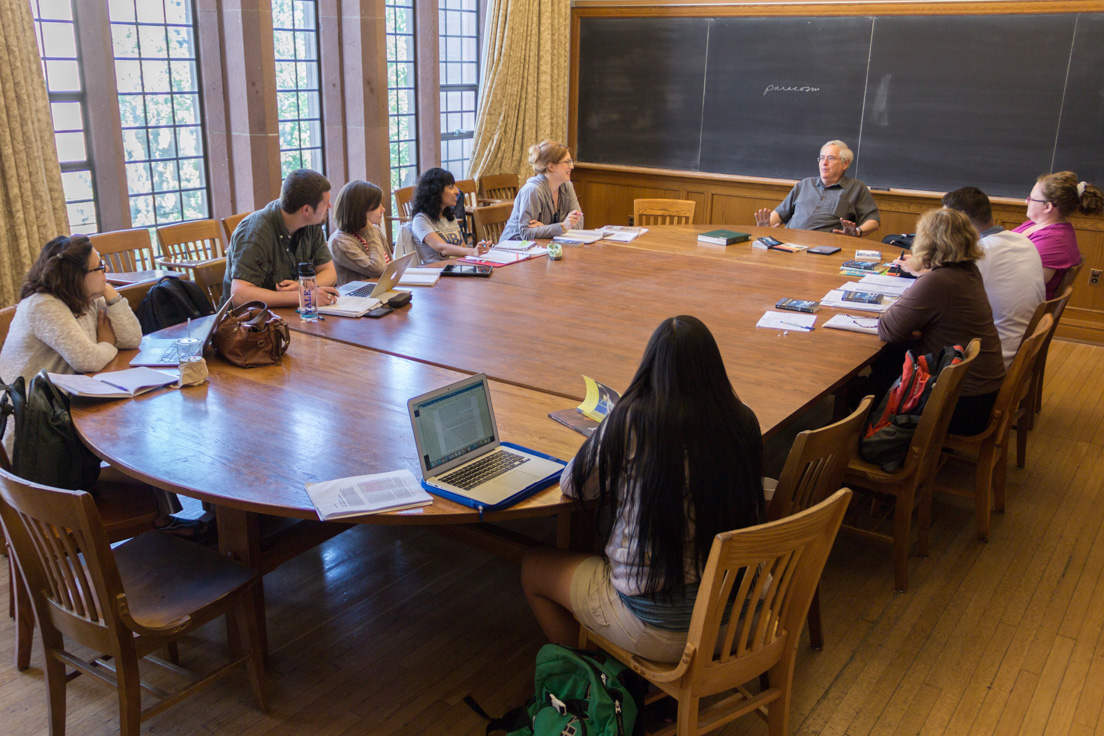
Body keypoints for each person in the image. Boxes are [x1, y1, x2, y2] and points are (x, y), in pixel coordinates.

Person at [520, 316, 764, 663]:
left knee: (533, 567)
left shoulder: (631, 419)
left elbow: (573, 486)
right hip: (742, 613)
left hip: (662, 631)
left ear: (650, 368)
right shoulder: (743, 419)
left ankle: (600, 679)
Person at [0, 235, 189, 527]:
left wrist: (112, 296)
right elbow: (87, 359)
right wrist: (106, 343)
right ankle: (161, 522)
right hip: (35, 429)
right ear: (75, 276)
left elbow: (131, 339)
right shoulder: (43, 306)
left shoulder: (89, 298)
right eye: (99, 267)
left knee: (138, 425)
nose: (105, 271)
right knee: (133, 433)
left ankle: (165, 520)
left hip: (63, 406)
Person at [876, 208, 1006, 436]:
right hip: (980, 393)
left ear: (925, 243)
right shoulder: (967, 271)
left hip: (959, 405)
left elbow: (888, 330)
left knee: (868, 387)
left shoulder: (938, 282)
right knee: (890, 360)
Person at [942, 186, 1044, 369]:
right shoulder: (1023, 241)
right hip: (1017, 351)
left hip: (987, 363)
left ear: (961, 219)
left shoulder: (979, 253)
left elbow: (943, 303)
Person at [221, 168, 340, 308]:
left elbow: (329, 272)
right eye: (325, 203)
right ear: (306, 210)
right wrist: (304, 295)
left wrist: (301, 287)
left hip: (288, 314)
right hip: (248, 323)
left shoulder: (311, 224)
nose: (330, 206)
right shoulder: (255, 233)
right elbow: (240, 295)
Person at [754, 140, 881, 237]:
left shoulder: (856, 188)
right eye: (822, 158)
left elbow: (873, 221)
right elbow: (780, 214)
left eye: (830, 158)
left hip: (825, 249)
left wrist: (857, 232)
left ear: (845, 163)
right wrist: (767, 226)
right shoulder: (804, 184)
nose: (824, 163)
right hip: (790, 243)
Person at [1014, 171, 1104, 299]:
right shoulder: (1034, 224)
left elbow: (1025, 284)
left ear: (1047, 207)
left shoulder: (1052, 241)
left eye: (1031, 198)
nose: (1026, 201)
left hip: (1022, 305)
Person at [499, 140, 584, 242]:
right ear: (551, 166)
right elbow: (526, 233)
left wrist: (546, 227)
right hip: (513, 250)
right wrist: (561, 227)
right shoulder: (533, 190)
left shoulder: (567, 186)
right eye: (567, 162)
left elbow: (578, 224)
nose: (572, 166)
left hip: (542, 248)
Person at [409, 168, 492, 263]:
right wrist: (472, 251)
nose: (457, 191)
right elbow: (442, 248)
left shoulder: (449, 216)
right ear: (436, 191)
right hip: (438, 273)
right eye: (451, 187)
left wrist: (480, 249)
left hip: (457, 268)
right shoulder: (421, 219)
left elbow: (462, 248)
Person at [328, 179, 391, 285]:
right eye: (377, 205)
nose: (383, 209)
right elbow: (378, 269)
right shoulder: (340, 242)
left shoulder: (375, 230)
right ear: (361, 210)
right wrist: (371, 234)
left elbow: (390, 265)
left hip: (380, 289)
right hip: (359, 298)